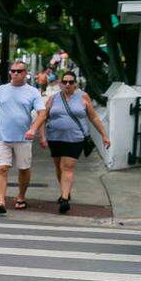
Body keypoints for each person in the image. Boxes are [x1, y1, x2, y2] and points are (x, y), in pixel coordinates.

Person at [0, 60, 48, 214]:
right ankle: (2, 201)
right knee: (2, 168)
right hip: (2, 137)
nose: (15, 73)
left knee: (23, 169)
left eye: (19, 71)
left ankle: (21, 197)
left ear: (25, 73)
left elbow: (42, 114)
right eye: (13, 71)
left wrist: (33, 129)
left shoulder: (33, 92)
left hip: (24, 139)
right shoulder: (1, 90)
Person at [39, 70, 110, 214]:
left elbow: (94, 117)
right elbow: (43, 117)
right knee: (59, 167)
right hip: (55, 138)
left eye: (70, 82)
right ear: (60, 83)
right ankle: (66, 191)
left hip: (75, 138)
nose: (67, 84)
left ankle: (64, 199)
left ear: (75, 84)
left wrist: (104, 135)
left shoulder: (83, 97)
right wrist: (42, 136)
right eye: (64, 82)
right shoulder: (53, 98)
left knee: (67, 167)